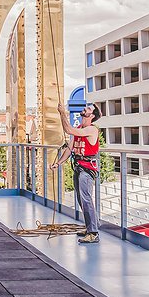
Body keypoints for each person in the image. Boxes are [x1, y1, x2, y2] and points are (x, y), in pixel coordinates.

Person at [54, 101, 101, 244]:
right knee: (81, 199)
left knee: (86, 199)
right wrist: (59, 162)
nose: (84, 109)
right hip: (79, 167)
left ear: (92, 115)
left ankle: (93, 233)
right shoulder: (80, 128)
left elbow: (68, 130)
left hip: (87, 169)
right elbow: (70, 148)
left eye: (87, 109)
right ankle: (90, 228)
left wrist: (62, 113)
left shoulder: (92, 130)